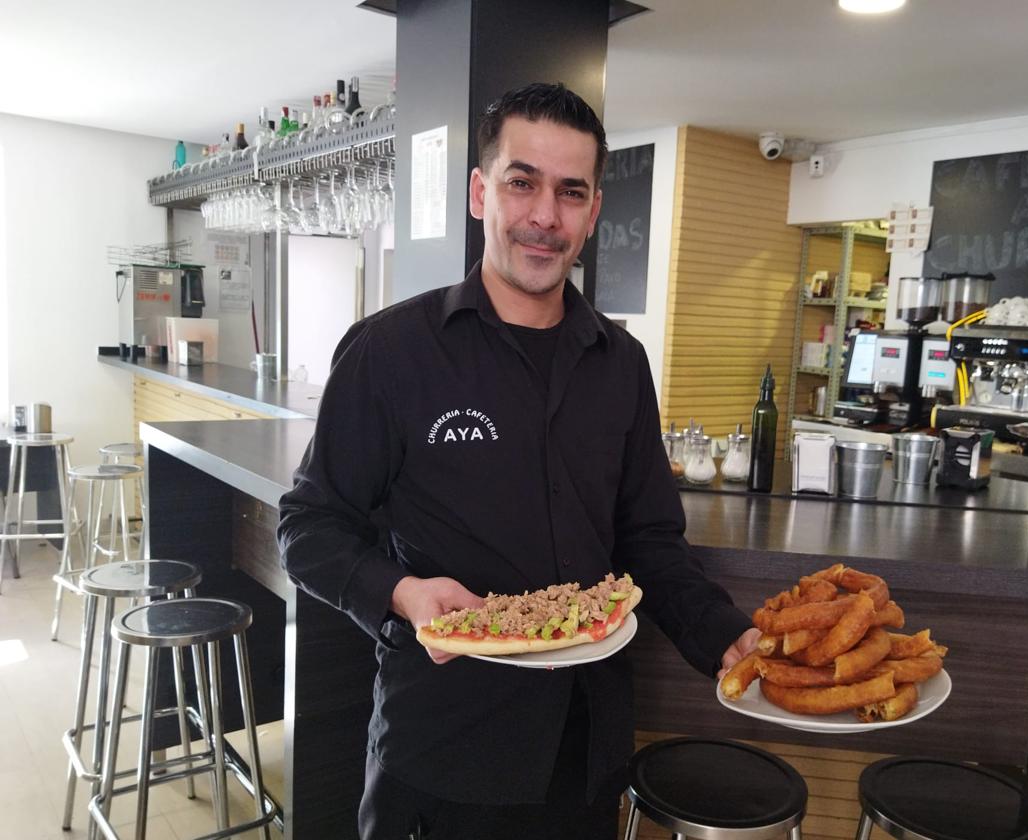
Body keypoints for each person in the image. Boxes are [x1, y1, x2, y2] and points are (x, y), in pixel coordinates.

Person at [277, 82, 759, 840]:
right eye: (522, 182)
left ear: (595, 211)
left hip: (585, 748)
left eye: (571, 192)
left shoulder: (621, 363)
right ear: (480, 192)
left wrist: (726, 635)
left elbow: (649, 544)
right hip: (443, 745)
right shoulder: (391, 352)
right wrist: (401, 591)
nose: (545, 216)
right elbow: (309, 525)